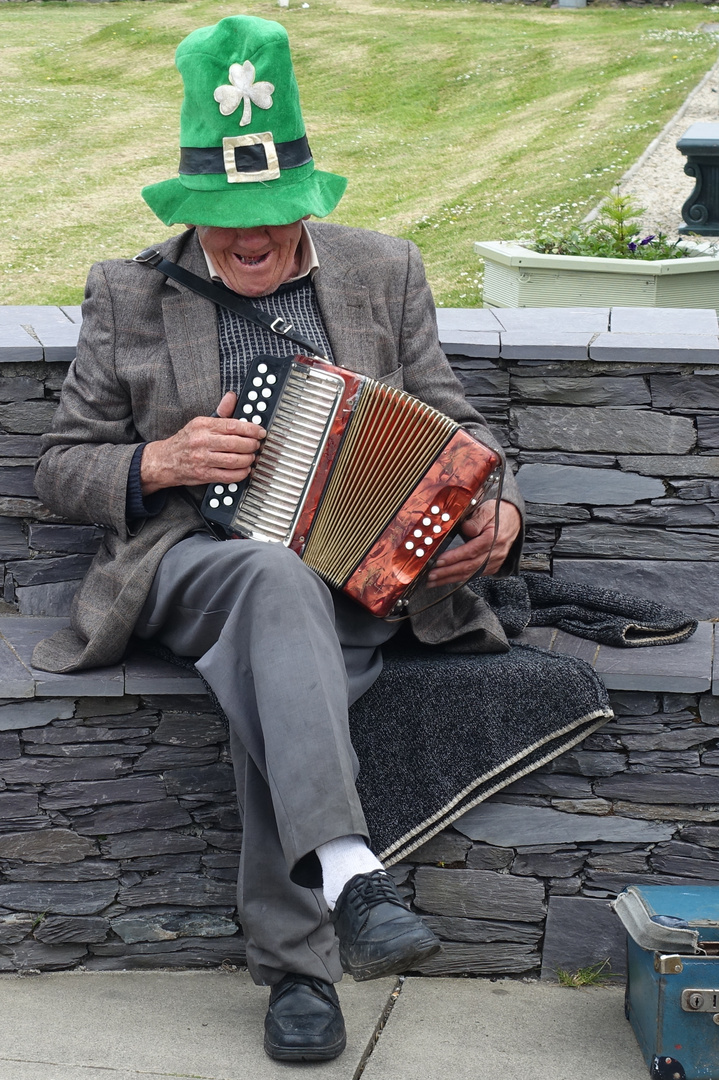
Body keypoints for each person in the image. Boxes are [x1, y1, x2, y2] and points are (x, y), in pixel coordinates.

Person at [33, 15, 524, 1063]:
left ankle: (304, 966)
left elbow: (458, 422)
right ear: (191, 211)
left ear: (306, 202)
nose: (249, 244)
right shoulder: (128, 291)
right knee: (264, 576)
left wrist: (499, 514)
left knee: (286, 666)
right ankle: (346, 877)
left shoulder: (380, 270)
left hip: (349, 576)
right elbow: (61, 465)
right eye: (225, 226)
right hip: (191, 563)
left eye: (268, 222)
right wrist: (155, 463)